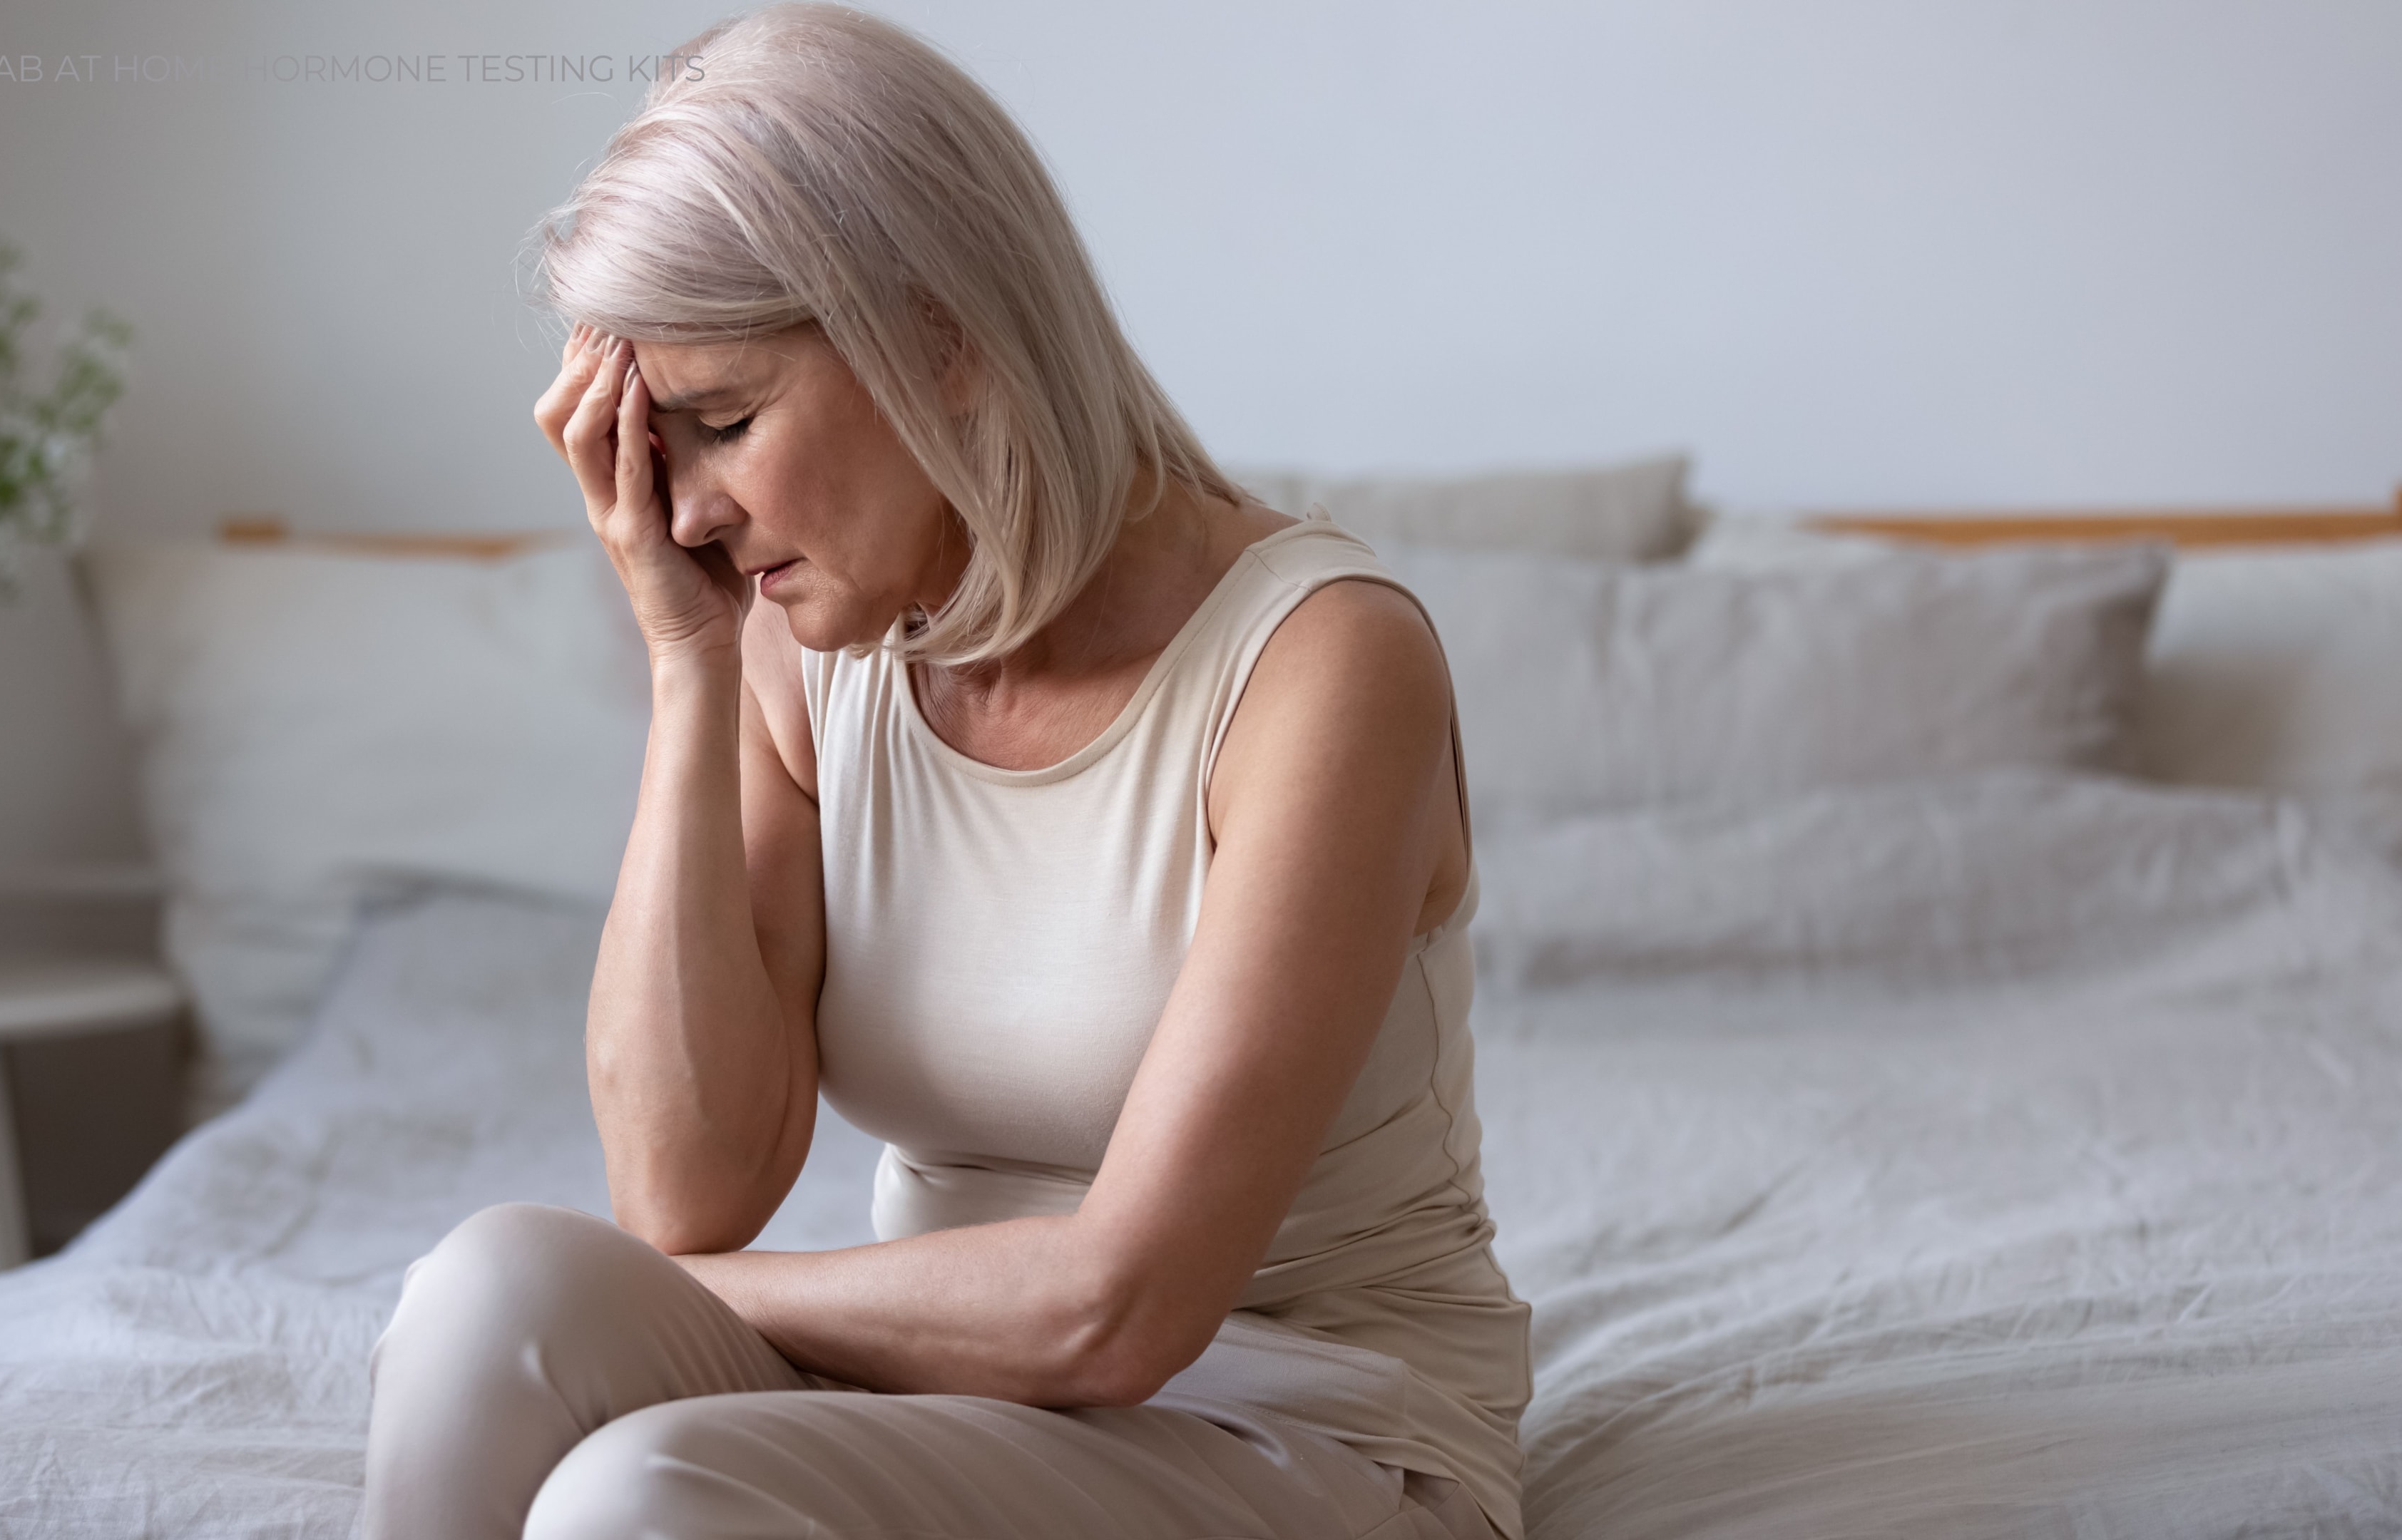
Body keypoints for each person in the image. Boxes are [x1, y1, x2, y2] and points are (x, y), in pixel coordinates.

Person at [359, 6, 1529, 1537]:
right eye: (663, 448)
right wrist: (685, 661)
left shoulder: (1320, 665)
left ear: (942, 336)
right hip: (955, 1409)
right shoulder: (805, 642)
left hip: (1305, 1430)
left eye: (723, 423)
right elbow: (684, 1190)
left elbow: (1123, 1306)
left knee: (639, 1496)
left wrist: (694, 1303)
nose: (690, 511)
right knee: (492, 1293)